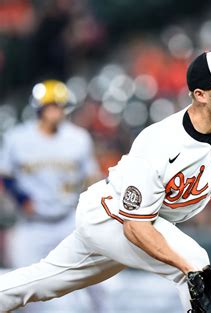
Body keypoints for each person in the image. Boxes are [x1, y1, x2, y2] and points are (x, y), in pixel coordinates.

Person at [0, 28, 211, 312]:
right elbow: (136, 228)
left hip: (136, 222)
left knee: (40, 283)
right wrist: (188, 269)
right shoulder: (158, 143)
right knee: (197, 266)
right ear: (200, 95)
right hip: (113, 219)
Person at [0, 80, 106, 312]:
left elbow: (92, 179)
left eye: (60, 106)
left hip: (68, 220)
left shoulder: (78, 138)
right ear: (39, 108)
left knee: (96, 280)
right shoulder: (18, 138)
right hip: (32, 224)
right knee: (24, 286)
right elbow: (5, 176)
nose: (56, 111)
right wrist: (21, 200)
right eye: (51, 106)